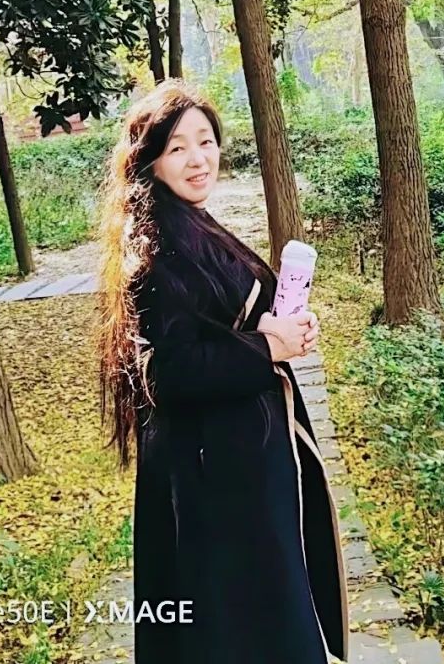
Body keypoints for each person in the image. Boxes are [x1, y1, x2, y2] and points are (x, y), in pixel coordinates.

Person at [98, 80, 350, 664]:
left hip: (241, 465)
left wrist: (284, 329)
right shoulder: (156, 249)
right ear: (150, 160)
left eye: (205, 141)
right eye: (178, 147)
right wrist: (266, 349)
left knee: (265, 617)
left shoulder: (192, 224)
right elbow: (169, 371)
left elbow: (219, 326)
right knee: (240, 629)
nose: (197, 158)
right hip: (216, 480)